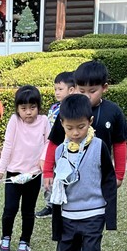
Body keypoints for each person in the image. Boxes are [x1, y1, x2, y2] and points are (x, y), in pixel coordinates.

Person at [48, 94, 117, 251]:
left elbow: (108, 178)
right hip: (68, 213)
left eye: (81, 127)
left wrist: (109, 213)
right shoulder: (59, 150)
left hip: (93, 212)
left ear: (90, 121)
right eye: (69, 128)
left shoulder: (99, 146)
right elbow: (59, 182)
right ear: (62, 124)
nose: (76, 133)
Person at [42, 60, 127, 194]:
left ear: (104, 87)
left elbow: (119, 144)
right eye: (81, 90)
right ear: (75, 87)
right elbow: (54, 141)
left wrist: (119, 175)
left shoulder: (113, 111)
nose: (87, 96)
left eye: (92, 91)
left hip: (101, 174)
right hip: (70, 172)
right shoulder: (68, 109)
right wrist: (48, 171)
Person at [0, 85, 49, 251]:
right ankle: (5, 238)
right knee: (10, 209)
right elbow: (8, 145)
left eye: (32, 107)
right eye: (23, 108)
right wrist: (1, 169)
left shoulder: (44, 121)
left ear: (38, 107)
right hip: (14, 173)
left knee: (28, 210)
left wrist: (44, 163)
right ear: (17, 108)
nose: (28, 112)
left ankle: (25, 241)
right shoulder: (14, 120)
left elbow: (48, 144)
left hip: (34, 175)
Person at [35, 70, 76, 219]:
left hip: (67, 149)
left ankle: (66, 203)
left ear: (71, 90)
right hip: (51, 146)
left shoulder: (74, 108)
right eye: (55, 89)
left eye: (60, 89)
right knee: (48, 176)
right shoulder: (54, 108)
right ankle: (50, 205)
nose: (57, 92)